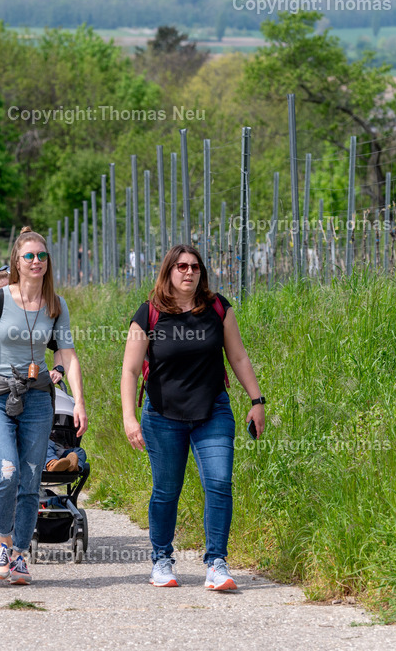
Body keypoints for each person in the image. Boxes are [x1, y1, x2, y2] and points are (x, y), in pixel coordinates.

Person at [120, 244, 266, 591]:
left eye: (195, 267)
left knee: (219, 483)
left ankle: (216, 563)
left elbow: (238, 357)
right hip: (162, 415)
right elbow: (129, 370)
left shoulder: (218, 308)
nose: (189, 272)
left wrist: (257, 400)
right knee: (166, 490)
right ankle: (161, 559)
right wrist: (129, 418)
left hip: (212, 411)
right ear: (168, 271)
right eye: (181, 266)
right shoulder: (149, 312)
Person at [0, 228, 88, 585]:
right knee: (7, 471)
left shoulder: (56, 305)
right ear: (17, 262)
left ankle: (19, 555)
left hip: (37, 398)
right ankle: (3, 544)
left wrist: (79, 401)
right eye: (29, 256)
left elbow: (68, 355)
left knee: (31, 480)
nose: (36, 261)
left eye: (41, 256)